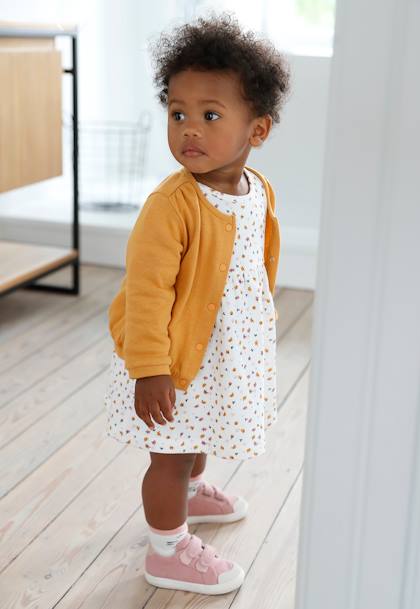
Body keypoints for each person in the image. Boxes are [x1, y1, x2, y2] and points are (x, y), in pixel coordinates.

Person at [104, 11, 290, 596]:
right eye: (177, 113)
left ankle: (188, 496)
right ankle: (166, 547)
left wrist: (257, 323)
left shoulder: (255, 187)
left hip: (219, 352)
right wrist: (150, 369)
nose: (188, 128)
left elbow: (258, 259)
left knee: (199, 436)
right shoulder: (172, 206)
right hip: (170, 358)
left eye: (210, 116)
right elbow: (146, 291)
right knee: (173, 452)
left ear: (255, 131)